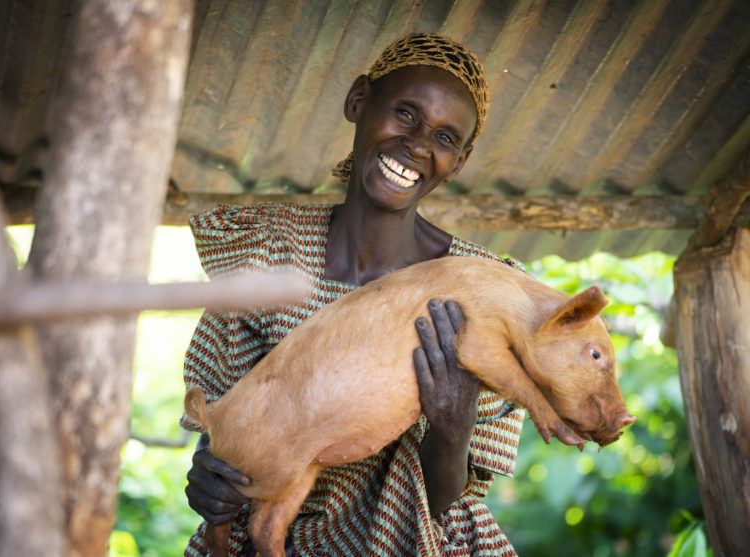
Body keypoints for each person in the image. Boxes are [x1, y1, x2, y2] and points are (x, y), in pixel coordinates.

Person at [181, 33, 524, 556]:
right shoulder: (266, 252)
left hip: (417, 543)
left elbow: (443, 501)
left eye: (445, 138)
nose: (417, 146)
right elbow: (228, 426)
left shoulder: (480, 289)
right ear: (358, 100)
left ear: (460, 161)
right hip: (270, 538)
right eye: (406, 114)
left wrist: (454, 423)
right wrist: (210, 473)